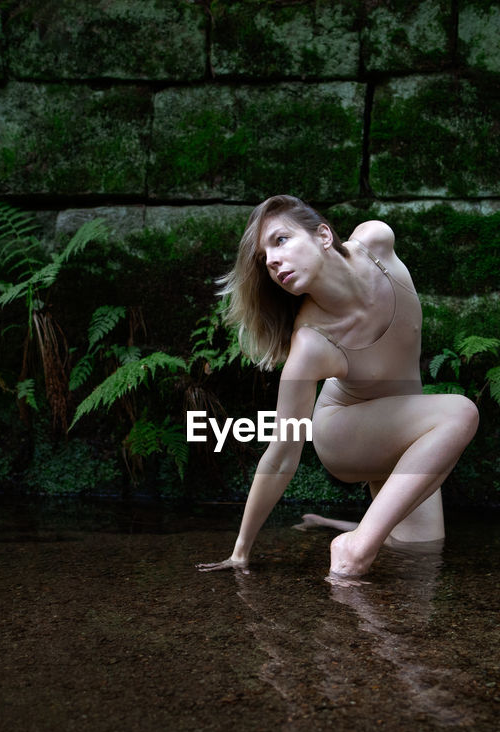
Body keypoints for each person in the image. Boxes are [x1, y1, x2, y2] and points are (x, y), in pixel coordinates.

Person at [196, 195, 479, 585]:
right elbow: (281, 454)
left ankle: (332, 524)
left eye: (280, 240)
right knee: (460, 413)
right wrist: (240, 549)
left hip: (403, 426)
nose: (273, 261)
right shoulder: (311, 345)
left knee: (420, 553)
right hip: (345, 433)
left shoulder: (378, 242)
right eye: (265, 258)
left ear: (324, 235)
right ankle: (354, 547)